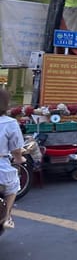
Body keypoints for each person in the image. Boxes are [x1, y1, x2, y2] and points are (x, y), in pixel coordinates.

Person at [0, 88, 25, 230]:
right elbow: (16, 149)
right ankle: (7, 216)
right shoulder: (9, 123)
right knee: (13, 186)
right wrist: (19, 158)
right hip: (2, 166)